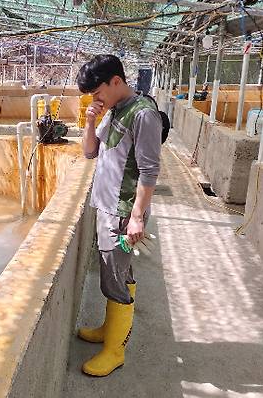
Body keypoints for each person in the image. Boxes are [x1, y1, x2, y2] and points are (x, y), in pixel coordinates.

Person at [76, 54, 162, 377]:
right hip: (107, 209)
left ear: (116, 81)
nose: (95, 99)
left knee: (115, 276)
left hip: (124, 216)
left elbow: (150, 171)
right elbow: (89, 152)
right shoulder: (112, 110)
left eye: (97, 92)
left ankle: (115, 350)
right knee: (115, 273)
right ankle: (109, 328)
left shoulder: (144, 115)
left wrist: (137, 217)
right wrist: (88, 120)